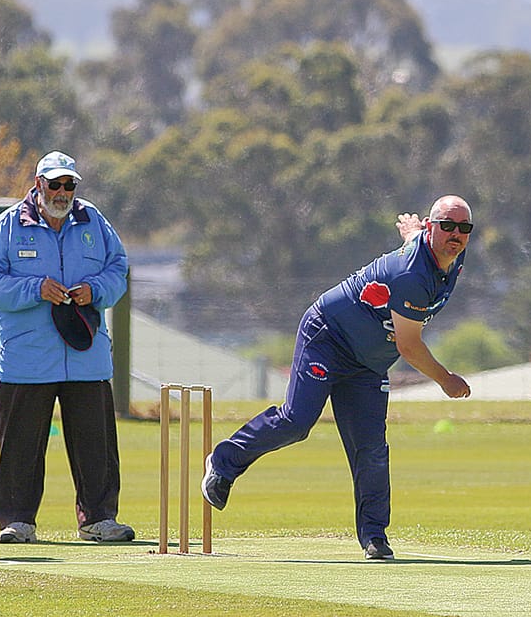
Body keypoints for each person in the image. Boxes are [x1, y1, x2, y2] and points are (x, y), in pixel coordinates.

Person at [201, 195, 475, 559]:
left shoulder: (449, 256)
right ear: (431, 226)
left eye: (463, 228)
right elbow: (409, 347)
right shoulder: (413, 276)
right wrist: (445, 379)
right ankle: (223, 462)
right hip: (327, 336)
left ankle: (374, 536)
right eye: (447, 225)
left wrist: (412, 233)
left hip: (369, 362)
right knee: (297, 421)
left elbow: (416, 245)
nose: (455, 234)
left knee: (371, 447)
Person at [0, 151, 136, 545]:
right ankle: (17, 521)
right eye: (55, 184)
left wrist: (95, 289)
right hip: (27, 360)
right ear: (38, 183)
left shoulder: (93, 220)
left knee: (96, 446)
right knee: (20, 448)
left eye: (69, 185)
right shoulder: (8, 227)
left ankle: (99, 519)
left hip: (86, 354)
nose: (62, 192)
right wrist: (34, 289)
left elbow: (118, 270)